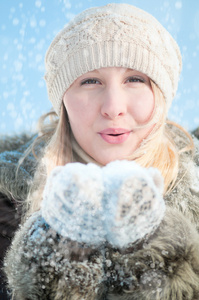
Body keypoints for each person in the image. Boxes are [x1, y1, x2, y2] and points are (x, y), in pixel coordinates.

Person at [2, 3, 199, 299]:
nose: (113, 108)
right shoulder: (5, 208)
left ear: (161, 95)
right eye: (90, 81)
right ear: (63, 99)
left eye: (135, 79)